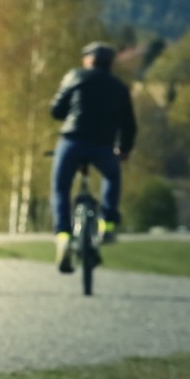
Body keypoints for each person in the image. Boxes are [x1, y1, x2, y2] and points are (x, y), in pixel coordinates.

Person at [50, 41, 136, 273]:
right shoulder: (119, 87)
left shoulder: (75, 77)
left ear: (89, 60)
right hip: (103, 146)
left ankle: (64, 235)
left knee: (60, 188)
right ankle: (107, 224)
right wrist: (124, 150)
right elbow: (129, 124)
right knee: (111, 176)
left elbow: (56, 110)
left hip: (72, 141)